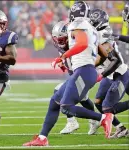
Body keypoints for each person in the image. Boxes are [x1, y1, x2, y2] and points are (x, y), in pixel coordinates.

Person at [23, 1, 113, 146]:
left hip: (83, 70)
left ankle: (103, 118)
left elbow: (82, 43)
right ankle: (42, 138)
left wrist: (64, 56)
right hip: (85, 70)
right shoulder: (91, 28)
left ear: (74, 13)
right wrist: (92, 65)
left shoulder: (77, 24)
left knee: (66, 107)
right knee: (55, 102)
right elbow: (103, 54)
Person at [51, 21, 98, 135]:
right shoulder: (66, 48)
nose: (60, 42)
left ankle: (74, 121)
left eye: (62, 39)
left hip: (84, 74)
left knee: (60, 92)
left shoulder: (77, 46)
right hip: (76, 75)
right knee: (84, 99)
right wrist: (63, 64)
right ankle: (95, 120)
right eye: (58, 40)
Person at [90, 8, 129, 138]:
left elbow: (115, 61)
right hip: (111, 74)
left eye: (92, 21)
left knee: (108, 108)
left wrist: (101, 74)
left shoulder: (102, 35)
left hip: (118, 73)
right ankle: (121, 128)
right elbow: (101, 57)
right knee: (98, 102)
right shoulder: (101, 33)